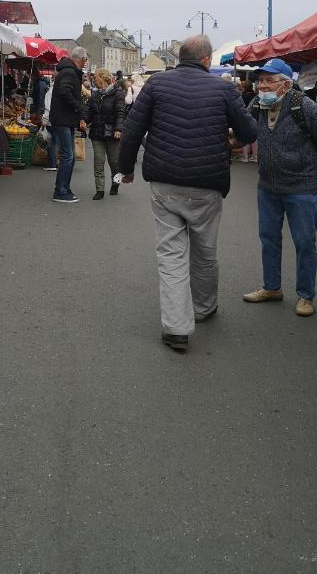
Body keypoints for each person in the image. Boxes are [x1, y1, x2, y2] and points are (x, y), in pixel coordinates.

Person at [118, 35, 257, 351]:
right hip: (207, 183)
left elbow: (132, 131)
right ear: (207, 59)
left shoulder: (156, 85)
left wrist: (125, 169)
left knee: (171, 254)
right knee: (205, 249)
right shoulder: (224, 89)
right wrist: (230, 139)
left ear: (180, 57)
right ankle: (204, 307)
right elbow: (250, 132)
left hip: (165, 180)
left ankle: (177, 328)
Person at [242, 59, 317, 317]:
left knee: (304, 243)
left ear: (286, 83)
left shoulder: (307, 107)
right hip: (267, 186)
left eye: (269, 80)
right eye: (261, 80)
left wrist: (312, 175)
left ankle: (306, 295)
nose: (263, 85)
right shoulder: (256, 105)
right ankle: (272, 287)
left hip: (301, 187)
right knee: (268, 239)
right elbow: (244, 132)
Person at [49, 46, 88, 203]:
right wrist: (77, 106)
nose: (85, 63)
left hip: (65, 118)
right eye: (85, 60)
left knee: (69, 156)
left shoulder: (67, 70)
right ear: (80, 59)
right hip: (63, 118)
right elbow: (64, 91)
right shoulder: (69, 72)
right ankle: (60, 190)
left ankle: (64, 187)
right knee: (68, 156)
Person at [84, 69, 125, 200]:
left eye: (95, 78)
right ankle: (99, 190)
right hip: (97, 133)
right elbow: (89, 112)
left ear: (102, 78)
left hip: (112, 133)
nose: (93, 80)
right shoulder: (94, 95)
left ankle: (115, 182)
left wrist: (118, 129)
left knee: (114, 162)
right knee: (99, 161)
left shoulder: (117, 93)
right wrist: (83, 120)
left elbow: (120, 112)